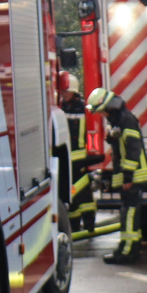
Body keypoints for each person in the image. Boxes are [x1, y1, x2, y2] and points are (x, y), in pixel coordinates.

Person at [88, 87, 147, 265]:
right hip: (131, 175)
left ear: (108, 107)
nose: (101, 115)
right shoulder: (120, 120)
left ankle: (127, 252)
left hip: (135, 176)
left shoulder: (126, 120)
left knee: (129, 214)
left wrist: (128, 178)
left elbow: (133, 150)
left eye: (101, 112)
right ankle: (130, 246)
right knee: (128, 213)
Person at [57, 72, 97, 232]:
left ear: (74, 91)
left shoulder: (83, 108)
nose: (64, 94)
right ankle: (73, 225)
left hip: (80, 157)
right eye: (63, 91)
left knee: (83, 193)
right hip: (66, 158)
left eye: (67, 91)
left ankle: (89, 223)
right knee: (69, 191)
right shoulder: (60, 108)